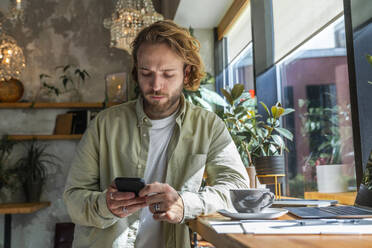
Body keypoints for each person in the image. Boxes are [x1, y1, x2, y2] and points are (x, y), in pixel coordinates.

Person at [63, 20, 249, 248]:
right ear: (136, 72)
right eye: (146, 73)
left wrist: (186, 203)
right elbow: (73, 197)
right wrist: (105, 204)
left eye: (168, 74)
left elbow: (237, 187)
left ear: (186, 73)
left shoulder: (209, 126)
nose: (156, 85)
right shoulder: (105, 124)